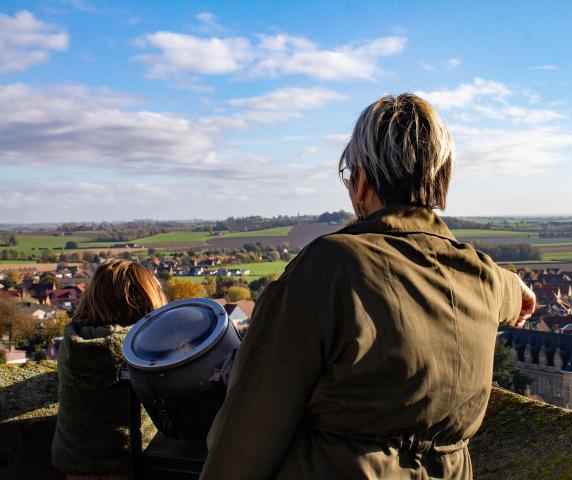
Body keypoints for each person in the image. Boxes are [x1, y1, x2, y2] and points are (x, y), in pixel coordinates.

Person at [199, 93, 536, 480]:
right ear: (440, 178)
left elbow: (245, 436)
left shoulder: (328, 269)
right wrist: (518, 289)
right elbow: (509, 292)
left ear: (360, 182)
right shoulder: (480, 276)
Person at [52, 259, 166, 479]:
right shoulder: (137, 347)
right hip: (129, 464)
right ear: (144, 299)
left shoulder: (72, 341)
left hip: (78, 465)